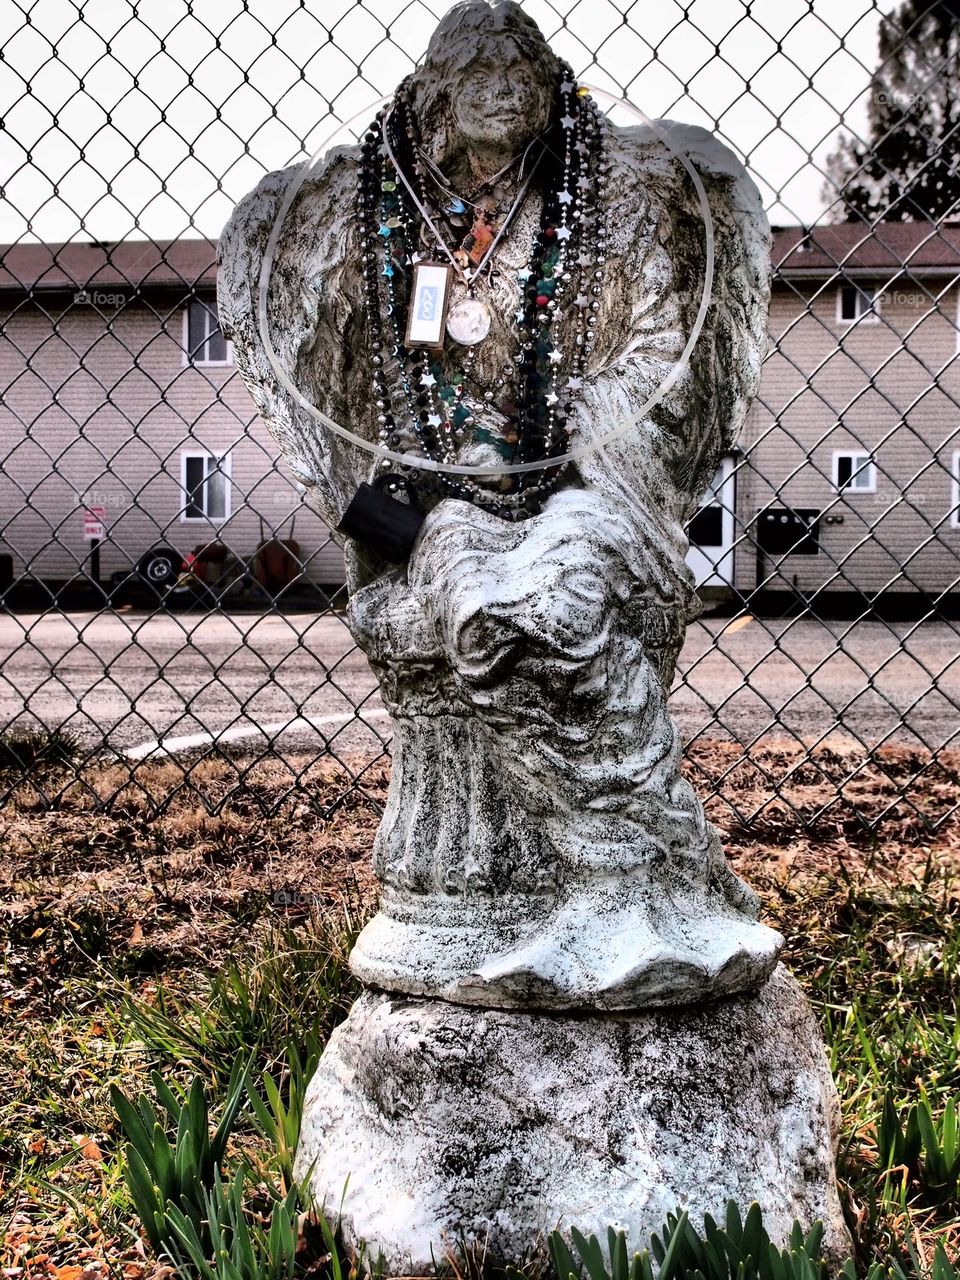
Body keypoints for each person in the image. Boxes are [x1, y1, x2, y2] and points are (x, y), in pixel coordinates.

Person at [218, 0, 780, 1010]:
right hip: (447, 502)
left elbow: (657, 354)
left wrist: (561, 454)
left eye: (521, 71)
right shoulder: (382, 209)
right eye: (478, 71)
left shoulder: (615, 197)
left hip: (593, 483)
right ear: (438, 91)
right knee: (483, 608)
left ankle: (631, 894)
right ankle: (638, 882)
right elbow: (369, 409)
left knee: (560, 594)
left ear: (549, 85)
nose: (502, 91)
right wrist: (458, 479)